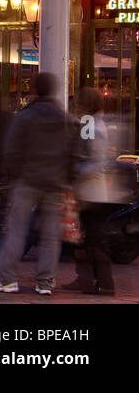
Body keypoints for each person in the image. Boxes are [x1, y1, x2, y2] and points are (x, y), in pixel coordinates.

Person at [0, 72, 74, 295]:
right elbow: (73, 152)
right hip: (55, 183)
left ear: (34, 89)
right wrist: (66, 177)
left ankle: (8, 279)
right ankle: (45, 283)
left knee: (16, 231)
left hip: (28, 180)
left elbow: (11, 150)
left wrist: (13, 173)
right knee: (51, 236)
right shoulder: (65, 119)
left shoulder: (24, 117)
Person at [65, 88, 119, 295]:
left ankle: (105, 283)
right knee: (85, 236)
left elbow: (97, 162)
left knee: (94, 237)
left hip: (91, 191)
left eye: (79, 102)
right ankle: (86, 278)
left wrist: (74, 171)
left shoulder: (93, 126)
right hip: (90, 191)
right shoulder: (91, 124)